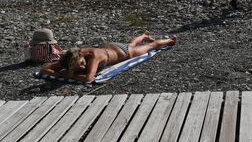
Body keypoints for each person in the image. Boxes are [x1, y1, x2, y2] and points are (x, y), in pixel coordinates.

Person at [40, 33, 176, 83]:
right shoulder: (72, 57)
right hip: (111, 47)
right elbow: (44, 69)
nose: (81, 67)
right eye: (78, 67)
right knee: (132, 44)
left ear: (81, 57)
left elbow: (89, 79)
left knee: (151, 46)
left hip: (124, 53)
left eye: (81, 64)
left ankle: (170, 40)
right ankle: (143, 36)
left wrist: (68, 75)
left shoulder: (94, 56)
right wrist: (61, 72)